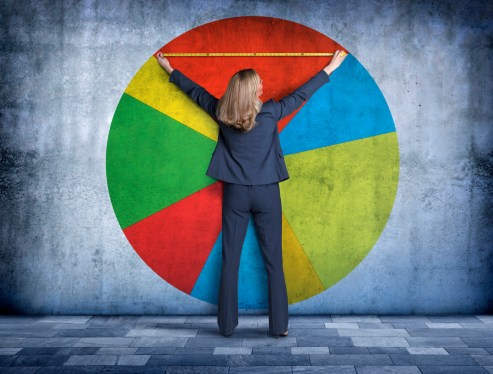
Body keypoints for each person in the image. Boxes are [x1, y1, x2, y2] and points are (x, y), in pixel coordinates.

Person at [156, 50, 347, 337]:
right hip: (267, 193)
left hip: (235, 194)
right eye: (258, 83)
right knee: (274, 263)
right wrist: (331, 67)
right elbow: (302, 94)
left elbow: (195, 93)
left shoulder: (221, 111)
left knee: (230, 259)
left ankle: (227, 326)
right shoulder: (271, 112)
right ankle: (280, 326)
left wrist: (169, 69)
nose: (262, 86)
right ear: (250, 90)